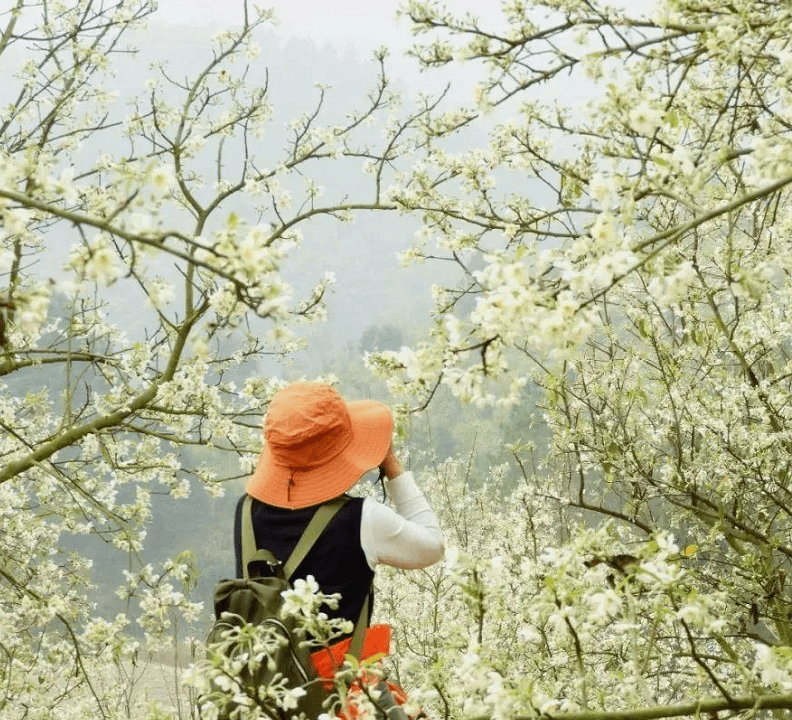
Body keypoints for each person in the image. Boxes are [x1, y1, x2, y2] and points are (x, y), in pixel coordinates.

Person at [234, 381, 445, 716]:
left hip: (270, 696)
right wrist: (391, 465)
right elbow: (431, 547)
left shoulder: (246, 511)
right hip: (343, 696)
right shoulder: (361, 518)